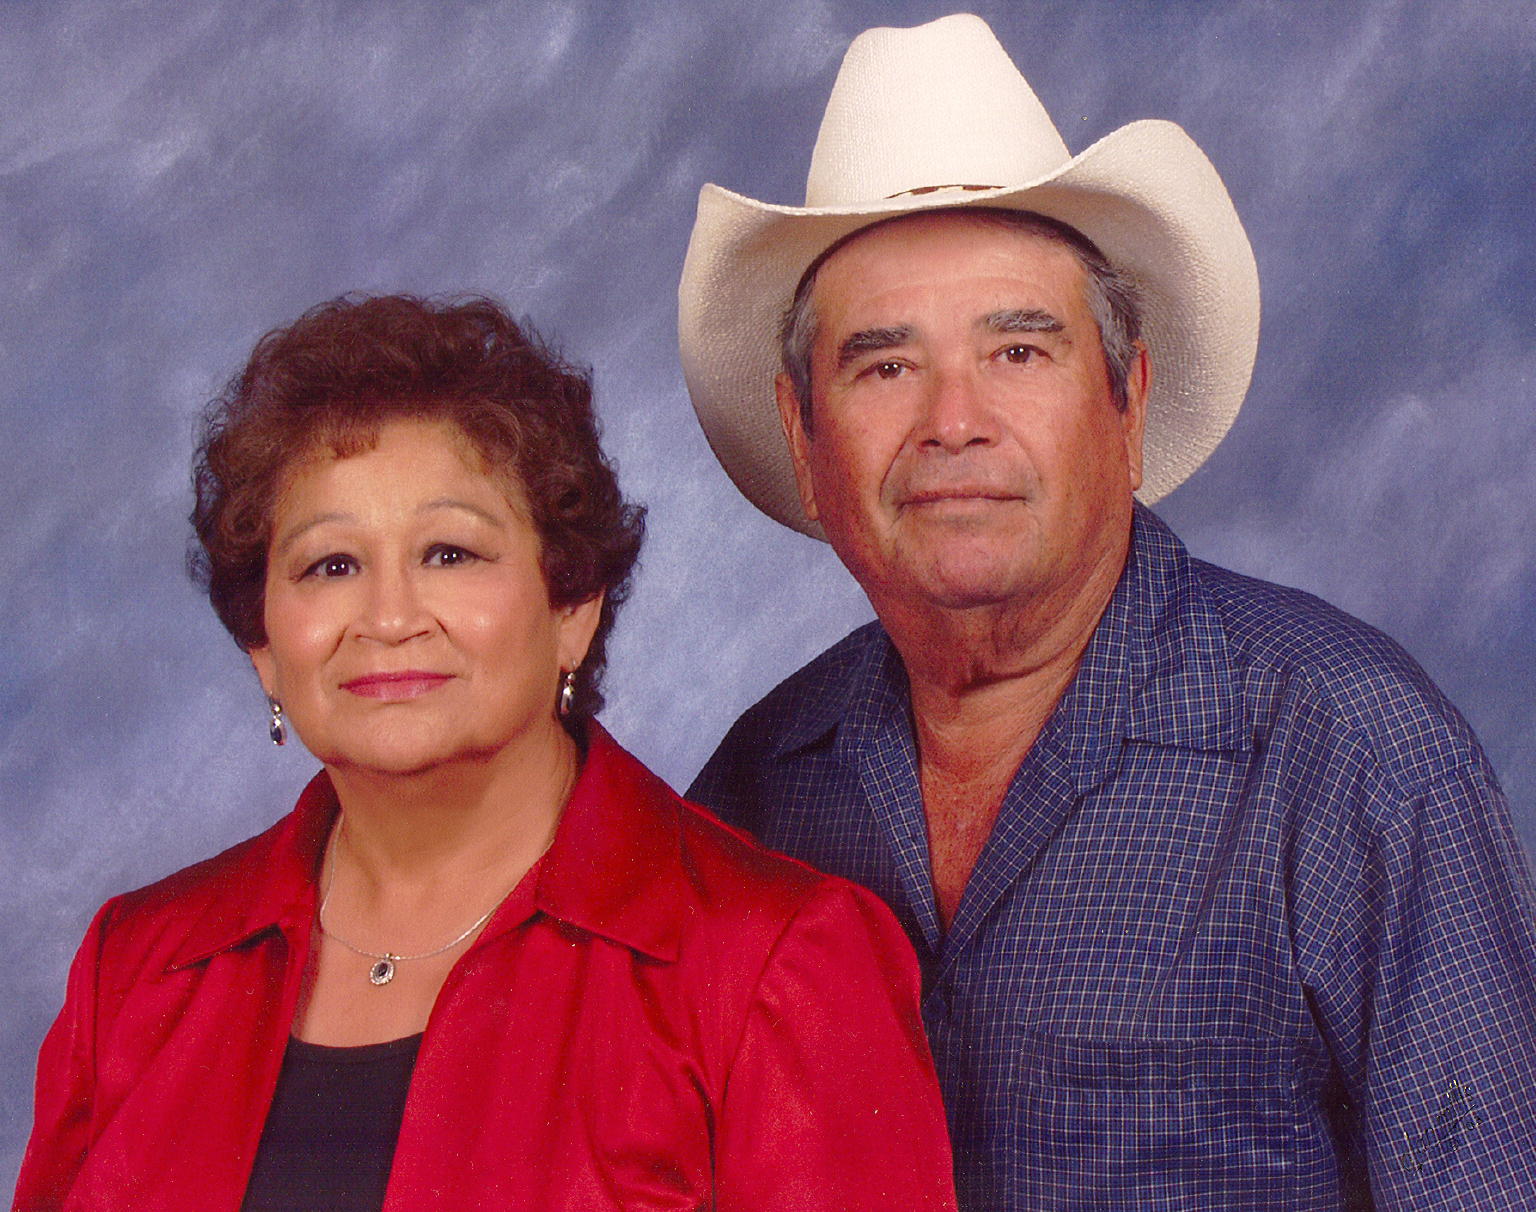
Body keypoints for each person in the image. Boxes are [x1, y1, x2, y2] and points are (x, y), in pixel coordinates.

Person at [679, 15, 1536, 1211]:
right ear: (802, 436)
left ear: (1127, 403)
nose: (953, 422)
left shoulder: (1355, 754)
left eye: (1019, 352)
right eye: (884, 366)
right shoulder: (760, 784)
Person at [13, 294, 958, 1211]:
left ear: (570, 607)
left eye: (450, 554)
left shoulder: (776, 964)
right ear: (263, 641)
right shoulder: (136, 969)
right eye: (329, 566)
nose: (387, 618)